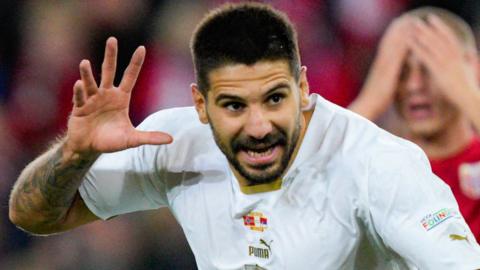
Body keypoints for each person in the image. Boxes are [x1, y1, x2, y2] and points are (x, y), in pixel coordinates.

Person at [8, 3, 480, 269]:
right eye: (235, 106)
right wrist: (71, 156)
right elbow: (34, 215)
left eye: (275, 99)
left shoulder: (380, 165)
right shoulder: (174, 142)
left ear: (303, 87)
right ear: (201, 105)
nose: (259, 127)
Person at [350, 7, 480, 242]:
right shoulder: (375, 169)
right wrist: (369, 101)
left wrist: (468, 91)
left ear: (471, 68)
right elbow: (296, 203)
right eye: (402, 71)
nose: (414, 85)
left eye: (429, 69)